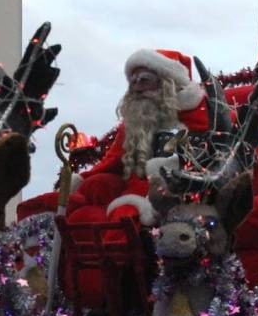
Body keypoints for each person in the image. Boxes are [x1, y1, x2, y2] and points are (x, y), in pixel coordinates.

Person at [19, 48, 207, 226]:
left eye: (144, 79)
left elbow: (202, 157)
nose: (137, 87)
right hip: (129, 186)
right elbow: (112, 161)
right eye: (133, 81)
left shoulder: (194, 116)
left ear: (167, 82)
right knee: (91, 191)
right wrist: (81, 181)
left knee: (122, 215)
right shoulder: (135, 122)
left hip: (169, 191)